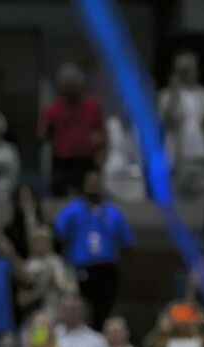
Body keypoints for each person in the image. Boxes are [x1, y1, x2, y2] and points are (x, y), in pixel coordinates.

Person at [53, 170, 134, 328]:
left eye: (97, 183)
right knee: (77, 308)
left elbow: (127, 243)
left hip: (106, 268)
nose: (94, 188)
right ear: (84, 186)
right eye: (90, 183)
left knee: (102, 312)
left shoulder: (114, 213)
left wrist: (119, 267)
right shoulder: (72, 211)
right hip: (80, 268)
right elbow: (57, 235)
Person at [159, 50, 204, 198]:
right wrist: (174, 93)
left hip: (203, 162)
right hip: (178, 163)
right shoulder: (166, 96)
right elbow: (166, 121)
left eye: (189, 69)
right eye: (181, 70)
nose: (186, 74)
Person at [39, 63, 105, 196]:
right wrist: (47, 132)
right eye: (65, 86)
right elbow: (41, 135)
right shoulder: (54, 109)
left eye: (71, 85)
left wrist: (100, 155)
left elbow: (102, 134)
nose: (69, 90)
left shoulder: (92, 106)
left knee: (88, 197)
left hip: (86, 161)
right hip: (62, 161)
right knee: (59, 197)